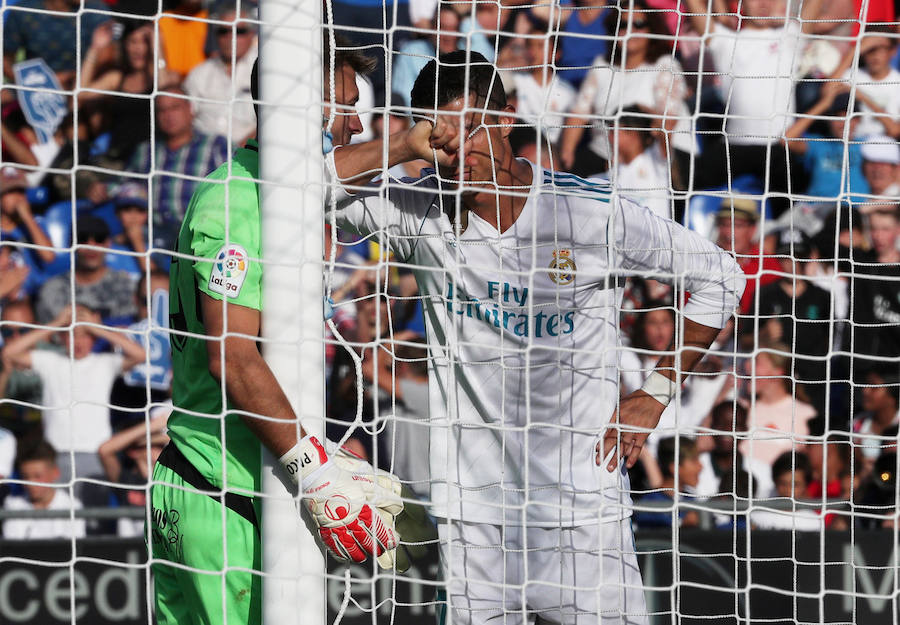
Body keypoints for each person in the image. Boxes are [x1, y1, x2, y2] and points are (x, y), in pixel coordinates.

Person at [327, 50, 744, 624]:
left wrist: (655, 392)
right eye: (438, 135)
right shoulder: (417, 212)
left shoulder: (586, 211)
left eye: (469, 128)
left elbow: (720, 275)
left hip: (581, 511)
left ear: (507, 117)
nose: (454, 151)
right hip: (473, 517)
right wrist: (402, 146)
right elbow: (306, 190)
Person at [149, 44, 403, 625]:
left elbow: (338, 167)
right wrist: (314, 471)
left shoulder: (277, 192)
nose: (358, 122)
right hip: (218, 492)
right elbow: (232, 357)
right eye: (347, 105)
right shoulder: (237, 203)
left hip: (232, 483)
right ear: (302, 109)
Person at [683, 0, 825, 216]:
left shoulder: (790, 37)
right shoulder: (725, 40)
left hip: (777, 148)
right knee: (688, 183)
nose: (763, 4)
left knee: (791, 201)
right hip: (732, 146)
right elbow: (694, 7)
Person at [1, 304, 147, 486]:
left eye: (85, 335)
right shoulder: (50, 361)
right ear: (61, 337)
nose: (78, 342)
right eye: (71, 335)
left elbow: (140, 355)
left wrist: (97, 328)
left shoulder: (105, 363)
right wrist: (57, 323)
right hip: (55, 453)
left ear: (93, 338)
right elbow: (9, 352)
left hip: (95, 452)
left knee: (94, 512)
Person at [559, 0, 693, 180]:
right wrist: (567, 152)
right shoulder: (602, 65)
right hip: (604, 152)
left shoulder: (665, 65)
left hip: (655, 154)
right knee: (568, 176)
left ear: (651, 30)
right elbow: (579, 113)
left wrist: (625, 150)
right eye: (623, 25)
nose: (630, 31)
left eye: (638, 24)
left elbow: (667, 122)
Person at [127, 87, 229, 263]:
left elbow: (237, 188)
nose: (169, 115)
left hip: (200, 234)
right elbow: (124, 185)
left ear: (190, 110)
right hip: (153, 234)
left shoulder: (215, 146)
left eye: (175, 107)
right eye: (162, 110)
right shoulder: (146, 151)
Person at [36, 215, 139, 326]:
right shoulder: (51, 290)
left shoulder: (127, 287)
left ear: (108, 243)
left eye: (99, 238)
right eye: (82, 239)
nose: (91, 246)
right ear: (71, 244)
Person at [183, 6, 258, 144]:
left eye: (239, 31)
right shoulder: (199, 73)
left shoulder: (263, 69)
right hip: (203, 152)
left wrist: (240, 150)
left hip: (250, 154)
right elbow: (185, 119)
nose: (231, 37)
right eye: (224, 31)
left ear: (251, 34)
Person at [2, 439, 86, 539]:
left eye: (38, 476)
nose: (30, 483)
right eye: (25, 477)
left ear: (55, 472)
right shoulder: (13, 505)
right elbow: (12, 546)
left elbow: (75, 547)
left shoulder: (73, 506)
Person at [715, 197, 780, 316]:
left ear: (752, 229)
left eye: (737, 226)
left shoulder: (767, 266)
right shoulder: (705, 262)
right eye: (724, 225)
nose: (729, 233)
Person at [633, 437, 702, 529]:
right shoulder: (650, 503)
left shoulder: (691, 500)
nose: (701, 466)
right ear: (675, 468)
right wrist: (683, 524)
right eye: (694, 461)